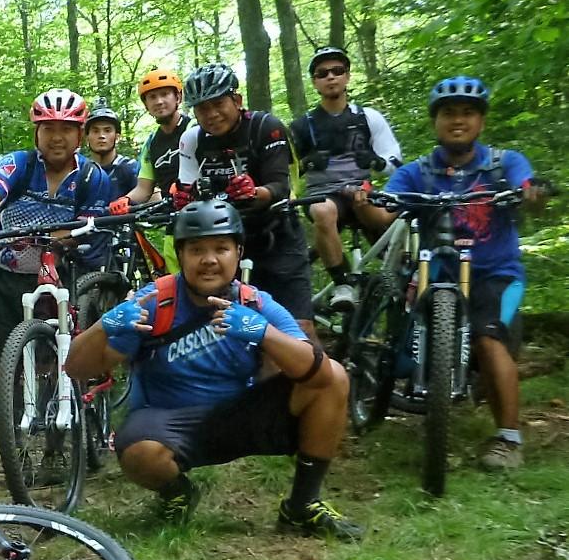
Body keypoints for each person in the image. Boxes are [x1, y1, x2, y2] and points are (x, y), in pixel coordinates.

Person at [66, 199, 362, 539]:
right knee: (138, 453)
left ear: (238, 252)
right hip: (170, 419)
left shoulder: (255, 302)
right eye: (196, 250)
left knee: (335, 376)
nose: (209, 260)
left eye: (221, 248)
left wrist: (263, 333)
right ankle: (178, 493)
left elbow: (320, 374)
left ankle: (302, 505)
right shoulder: (154, 302)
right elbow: (77, 367)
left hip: (243, 414)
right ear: (181, 255)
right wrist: (104, 325)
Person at [354, 76, 541, 471]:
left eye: (468, 113)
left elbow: (528, 187)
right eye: (448, 113)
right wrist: (363, 201)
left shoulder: (503, 163)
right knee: (405, 323)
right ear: (435, 121)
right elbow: (383, 213)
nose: (458, 120)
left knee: (489, 340)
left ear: (481, 122)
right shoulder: (418, 171)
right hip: (435, 271)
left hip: (495, 274)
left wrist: (531, 192)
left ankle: (508, 438)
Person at [0, 89, 114, 377]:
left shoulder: (93, 177)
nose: (57, 137)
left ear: (79, 134)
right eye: (48, 128)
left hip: (55, 273)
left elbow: (86, 227)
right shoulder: (19, 164)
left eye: (66, 129)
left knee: (50, 354)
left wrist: (54, 241)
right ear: (37, 132)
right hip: (1, 270)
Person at [175, 63, 314, 334]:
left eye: (218, 104)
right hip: (225, 245)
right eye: (202, 108)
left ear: (236, 100)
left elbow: (279, 187)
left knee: (300, 328)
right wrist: (182, 199)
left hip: (276, 235)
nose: (211, 114)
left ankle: (320, 375)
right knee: (223, 327)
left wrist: (254, 192)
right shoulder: (192, 139)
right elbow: (187, 191)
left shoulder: (266, 127)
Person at [290, 47, 404, 310]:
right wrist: (306, 163)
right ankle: (342, 283)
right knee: (322, 210)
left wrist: (376, 161)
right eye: (322, 73)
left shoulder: (368, 117)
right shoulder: (302, 125)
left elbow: (395, 162)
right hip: (324, 194)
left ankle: (405, 277)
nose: (331, 77)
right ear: (315, 81)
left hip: (363, 193)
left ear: (348, 77)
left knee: (404, 215)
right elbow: (286, 174)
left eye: (337, 71)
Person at [128, 69, 190, 207]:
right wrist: (125, 200)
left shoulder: (193, 128)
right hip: (171, 215)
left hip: (203, 209)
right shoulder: (151, 143)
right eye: (152, 97)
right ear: (146, 105)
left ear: (178, 98)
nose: (159, 101)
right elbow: (144, 189)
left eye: (165, 94)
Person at [84, 102, 141, 200]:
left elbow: (153, 198)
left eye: (107, 130)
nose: (101, 136)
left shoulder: (130, 168)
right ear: (87, 138)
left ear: (117, 137)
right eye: (95, 131)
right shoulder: (81, 171)